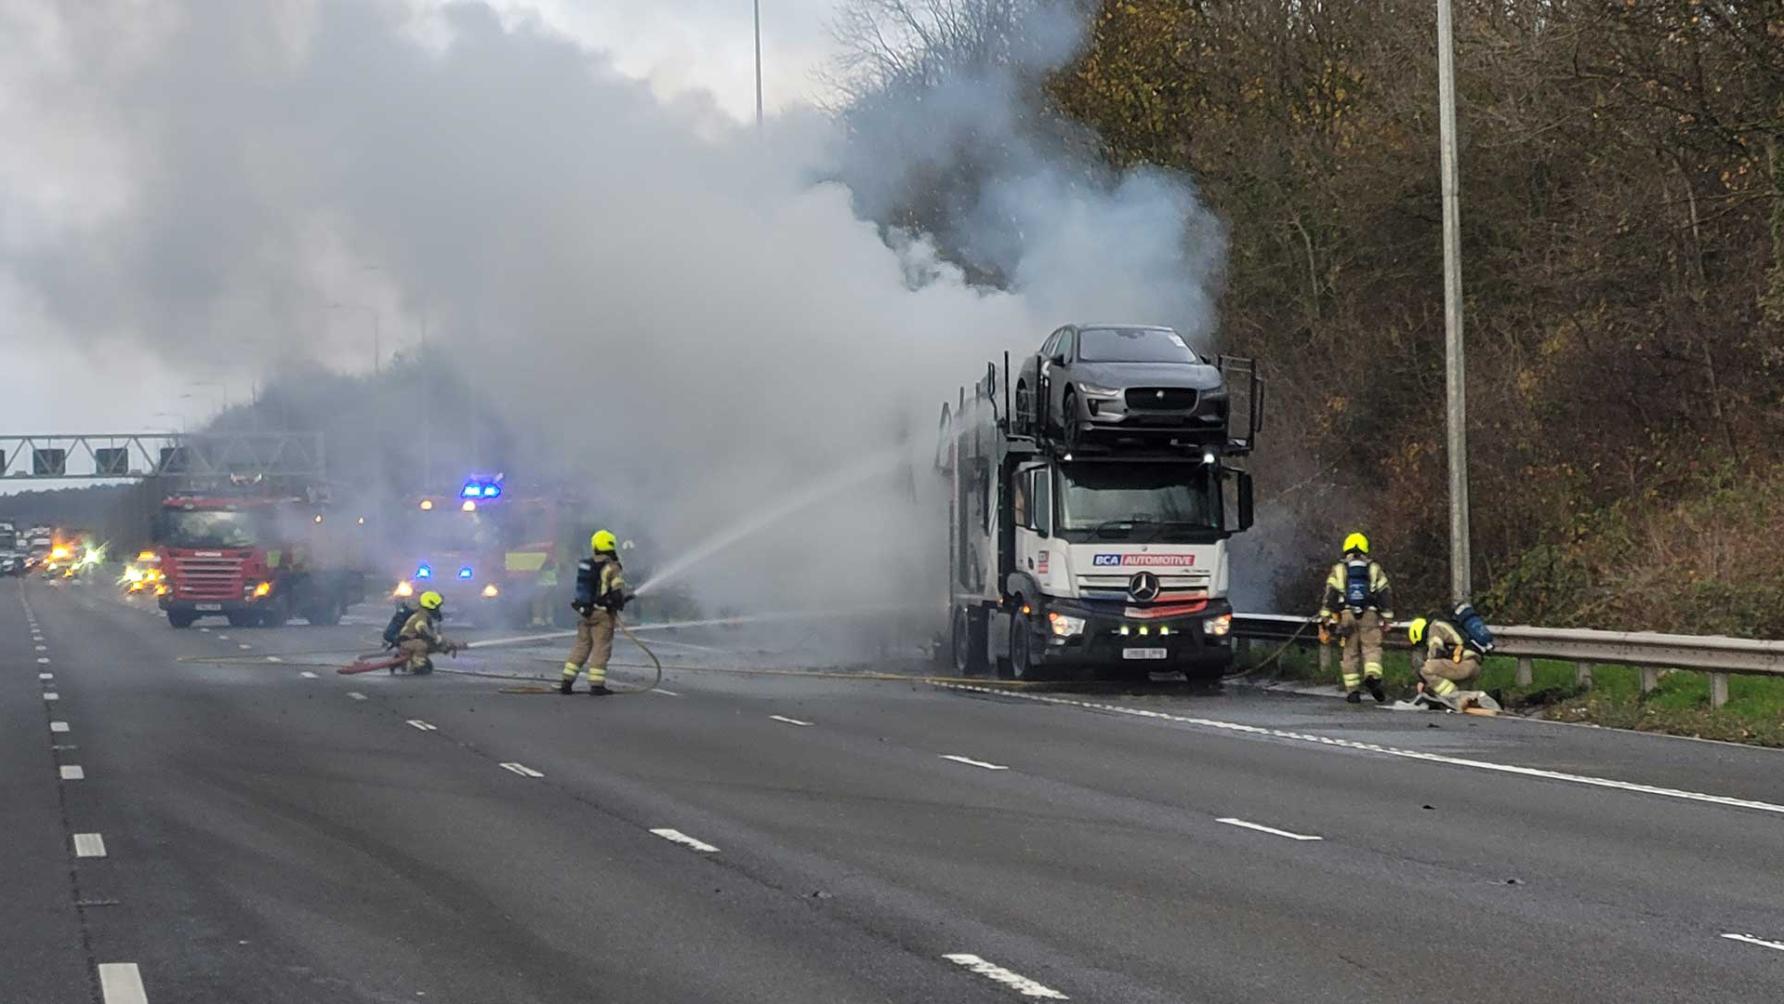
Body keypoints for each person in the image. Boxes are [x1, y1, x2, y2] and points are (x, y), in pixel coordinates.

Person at [1318, 532, 1394, 703]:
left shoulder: (1339, 569)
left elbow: (1330, 594)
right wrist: (1387, 618)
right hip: (1370, 614)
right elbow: (1385, 593)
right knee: (1372, 648)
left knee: (1349, 652)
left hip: (1346, 615)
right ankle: (1372, 676)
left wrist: (1325, 616)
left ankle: (1352, 691)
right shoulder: (1374, 568)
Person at [561, 530, 629, 696]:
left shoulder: (588, 564)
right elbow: (616, 592)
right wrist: (621, 601)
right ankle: (596, 685)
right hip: (602, 615)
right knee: (601, 647)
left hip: (585, 612)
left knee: (581, 646)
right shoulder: (612, 567)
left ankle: (566, 682)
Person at [1407, 615, 1484, 709]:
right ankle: (1466, 700)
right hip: (1472, 665)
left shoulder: (1434, 628)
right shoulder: (1445, 624)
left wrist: (1424, 680)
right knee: (1466, 699)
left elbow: (1435, 653)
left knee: (1426, 669)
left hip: (1464, 665)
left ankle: (1453, 698)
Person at [397, 590, 461, 674]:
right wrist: (439, 639)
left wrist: (445, 645)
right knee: (421, 645)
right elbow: (424, 631)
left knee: (431, 645)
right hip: (406, 641)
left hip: (415, 640)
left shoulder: (427, 616)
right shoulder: (420, 617)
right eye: (438, 607)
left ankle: (420, 660)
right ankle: (418, 665)